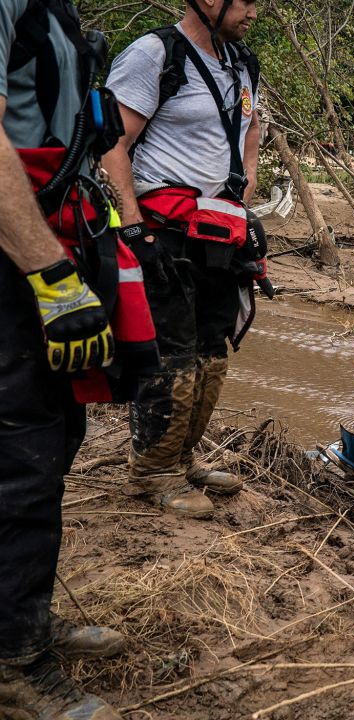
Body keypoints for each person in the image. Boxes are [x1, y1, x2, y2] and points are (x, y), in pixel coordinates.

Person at [1, 0, 144, 715]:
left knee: (55, 441)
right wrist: (47, 273)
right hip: (19, 260)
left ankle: (18, 614)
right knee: (21, 456)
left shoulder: (51, 7)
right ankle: (15, 661)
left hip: (57, 239)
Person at [101, 0, 262, 518]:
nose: (255, 12)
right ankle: (151, 471)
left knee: (211, 352)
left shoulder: (243, 63)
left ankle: (181, 456)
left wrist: (247, 198)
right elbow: (112, 144)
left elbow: (249, 130)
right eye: (247, 1)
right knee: (169, 355)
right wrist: (131, 225)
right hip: (162, 231)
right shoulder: (155, 54)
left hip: (220, 233)